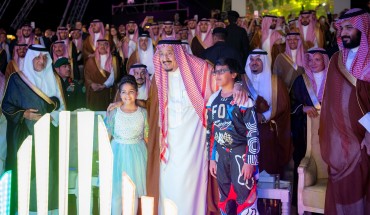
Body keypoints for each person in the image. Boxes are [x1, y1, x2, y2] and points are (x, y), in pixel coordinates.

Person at [143, 39, 247, 215]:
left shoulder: (199, 69)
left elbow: (224, 80)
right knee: (168, 186)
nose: (165, 58)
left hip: (194, 144)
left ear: (178, 52)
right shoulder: (158, 78)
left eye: (169, 53)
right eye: (161, 54)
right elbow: (150, 106)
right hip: (168, 146)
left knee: (191, 187)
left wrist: (238, 85)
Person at [1, 44, 65, 214]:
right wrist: (24, 114)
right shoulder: (17, 79)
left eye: (44, 58)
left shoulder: (55, 78)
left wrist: (53, 117)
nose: (41, 61)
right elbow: (6, 107)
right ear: (30, 59)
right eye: (37, 57)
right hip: (24, 136)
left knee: (47, 172)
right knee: (26, 171)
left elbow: (62, 107)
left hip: (49, 134)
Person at [319, 8, 370, 214]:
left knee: (361, 185)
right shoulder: (335, 60)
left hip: (364, 139)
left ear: (363, 29)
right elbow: (330, 101)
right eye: (342, 28)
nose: (344, 33)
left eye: (350, 27)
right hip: (339, 142)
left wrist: (368, 133)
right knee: (340, 188)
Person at [206, 57, 259, 214]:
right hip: (221, 154)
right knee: (224, 198)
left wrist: (250, 161)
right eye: (216, 71)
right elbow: (211, 131)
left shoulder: (243, 99)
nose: (218, 74)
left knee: (245, 197)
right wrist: (212, 158)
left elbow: (253, 131)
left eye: (222, 71)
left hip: (240, 154)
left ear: (234, 74)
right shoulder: (213, 99)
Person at [289, 48, 329, 207]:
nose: (313, 63)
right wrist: (302, 108)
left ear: (325, 61)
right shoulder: (301, 80)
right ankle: (300, 204)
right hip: (304, 131)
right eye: (310, 60)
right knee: (302, 161)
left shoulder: (333, 79)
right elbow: (291, 103)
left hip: (329, 130)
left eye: (317, 60)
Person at [244, 49, 292, 176]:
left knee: (268, 163)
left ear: (264, 62)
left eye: (258, 59)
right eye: (252, 59)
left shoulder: (276, 82)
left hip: (267, 130)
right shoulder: (242, 82)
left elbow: (283, 105)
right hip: (245, 131)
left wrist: (264, 116)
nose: (254, 62)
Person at [105, 75, 148, 215]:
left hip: (137, 155)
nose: (127, 95)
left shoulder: (143, 113)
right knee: (116, 193)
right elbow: (107, 135)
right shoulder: (114, 112)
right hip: (117, 153)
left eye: (131, 91)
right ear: (120, 93)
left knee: (133, 193)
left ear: (136, 93)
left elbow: (147, 137)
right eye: (123, 92)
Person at [84, 39, 120, 111]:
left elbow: (114, 75)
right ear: (97, 46)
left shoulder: (113, 59)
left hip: (108, 91)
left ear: (108, 46)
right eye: (100, 44)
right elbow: (86, 75)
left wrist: (104, 85)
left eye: (105, 44)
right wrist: (91, 84)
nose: (102, 46)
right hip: (94, 91)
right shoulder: (91, 60)